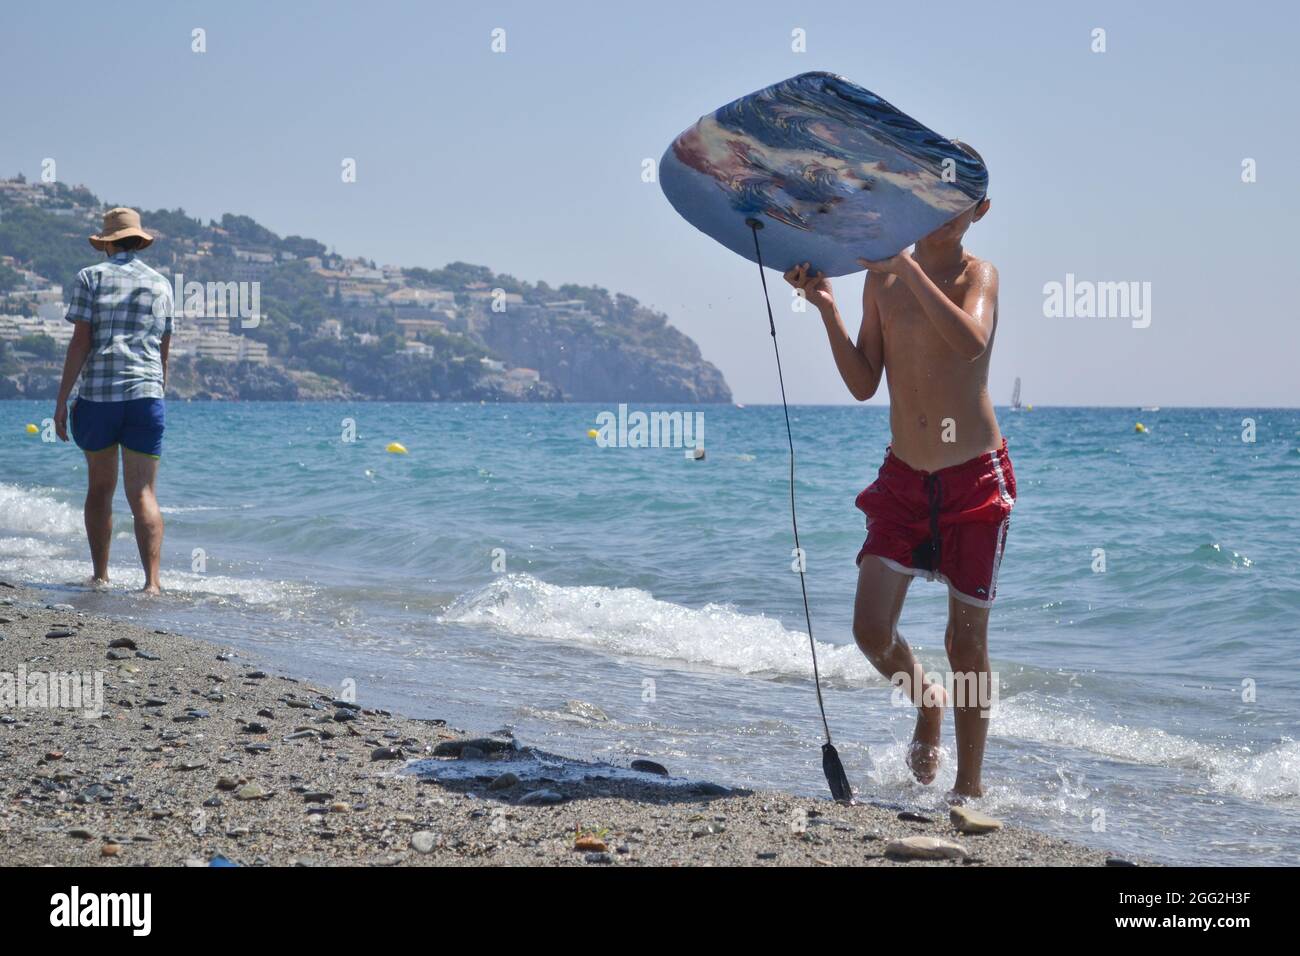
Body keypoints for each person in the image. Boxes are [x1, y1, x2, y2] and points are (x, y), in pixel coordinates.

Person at [784, 146, 1013, 799]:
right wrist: (827, 307)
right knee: (870, 630)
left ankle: (967, 792)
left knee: (965, 644)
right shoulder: (882, 280)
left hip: (974, 482)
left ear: (980, 211)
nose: (940, 213)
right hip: (905, 481)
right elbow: (863, 381)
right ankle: (926, 701)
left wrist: (908, 268)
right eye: (929, 197)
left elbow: (970, 341)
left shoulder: (978, 275)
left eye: (956, 202)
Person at [52, 207, 174, 594]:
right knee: (143, 493)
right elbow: (163, 350)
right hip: (146, 396)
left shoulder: (90, 278)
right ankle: (152, 584)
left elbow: (80, 343)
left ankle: (101, 575)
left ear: (106, 244)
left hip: (99, 397)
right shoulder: (161, 284)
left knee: (100, 489)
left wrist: (61, 401)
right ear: (138, 241)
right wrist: (157, 392)